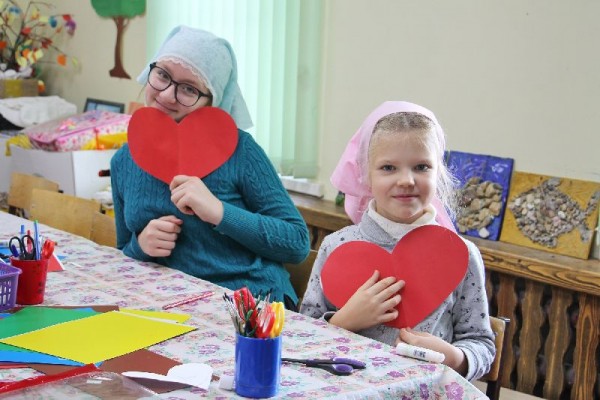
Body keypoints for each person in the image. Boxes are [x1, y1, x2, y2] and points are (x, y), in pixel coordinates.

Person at [111, 26, 310, 307]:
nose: (168, 95)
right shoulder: (123, 160)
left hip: (248, 306)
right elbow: (124, 253)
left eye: (189, 89)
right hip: (167, 304)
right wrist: (140, 246)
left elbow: (297, 242)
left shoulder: (241, 150)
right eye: (163, 75)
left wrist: (219, 212)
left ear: (212, 102)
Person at [300, 101, 495, 380]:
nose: (406, 180)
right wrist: (344, 321)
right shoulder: (336, 247)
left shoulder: (462, 254)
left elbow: (481, 343)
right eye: (388, 167)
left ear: (438, 172)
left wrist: (454, 356)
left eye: (421, 166)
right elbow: (302, 334)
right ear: (366, 174)